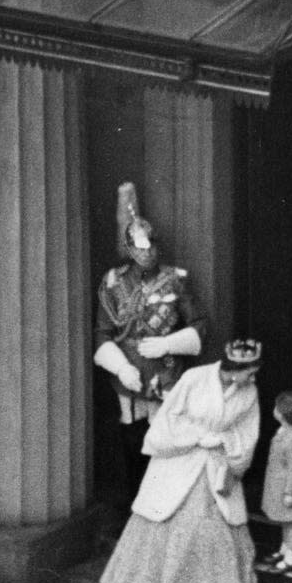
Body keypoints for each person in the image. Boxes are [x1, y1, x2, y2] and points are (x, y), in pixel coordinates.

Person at [99, 339, 262, 583]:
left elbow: (248, 430)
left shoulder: (249, 392)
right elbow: (168, 418)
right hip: (180, 459)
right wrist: (197, 436)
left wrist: (231, 450)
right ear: (233, 369)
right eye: (250, 372)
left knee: (214, 522)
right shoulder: (194, 379)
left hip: (217, 463)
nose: (253, 378)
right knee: (169, 518)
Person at [94, 182, 206, 509]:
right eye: (140, 247)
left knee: (166, 447)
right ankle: (137, 513)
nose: (147, 253)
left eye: (151, 246)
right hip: (128, 380)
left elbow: (199, 326)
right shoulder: (112, 283)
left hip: (165, 375)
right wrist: (121, 366)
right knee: (133, 448)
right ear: (130, 248)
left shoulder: (175, 278)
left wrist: (169, 343)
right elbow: (102, 332)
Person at [261, 391, 292, 573]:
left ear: (283, 413)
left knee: (291, 524)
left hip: (287, 490)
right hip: (278, 487)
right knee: (285, 521)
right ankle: (285, 549)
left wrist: (290, 493)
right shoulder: (285, 432)